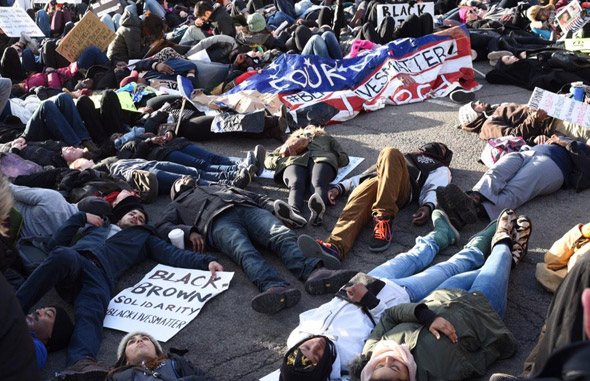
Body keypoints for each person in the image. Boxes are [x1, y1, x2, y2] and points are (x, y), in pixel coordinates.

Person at [280, 209, 521, 380]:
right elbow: (384, 329)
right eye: (316, 357)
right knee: (448, 269)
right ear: (323, 369)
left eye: (305, 350)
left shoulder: (296, 337)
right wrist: (368, 301)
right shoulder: (348, 362)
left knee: (412, 255)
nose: (314, 347)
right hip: (397, 296)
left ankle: (442, 234)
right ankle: (486, 247)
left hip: (363, 282)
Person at [15, 196, 223, 377]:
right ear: (120, 217)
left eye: (141, 219)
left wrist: (205, 262)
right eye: (132, 214)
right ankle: (14, 309)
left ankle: (80, 364)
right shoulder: (98, 224)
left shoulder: (144, 237)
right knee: (63, 254)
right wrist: (80, 218)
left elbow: (173, 254)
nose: (136, 218)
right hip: (76, 261)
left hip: (100, 276)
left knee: (93, 309)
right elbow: (54, 245)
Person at [352, 209, 528, 381]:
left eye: (380, 366)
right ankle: (504, 240)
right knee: (500, 255)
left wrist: (425, 315)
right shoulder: (435, 375)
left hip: (443, 294)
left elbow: (389, 316)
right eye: (394, 367)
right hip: (481, 309)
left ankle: (509, 259)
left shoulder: (371, 351)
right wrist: (495, 338)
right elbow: (473, 366)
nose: (388, 359)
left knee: (489, 268)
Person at [155, 177, 334, 314]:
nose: (185, 178)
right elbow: (163, 227)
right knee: (243, 250)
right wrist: (189, 231)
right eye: (180, 180)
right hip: (216, 221)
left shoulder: (216, 185)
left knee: (282, 234)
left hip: (248, 208)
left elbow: (255, 197)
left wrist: (273, 209)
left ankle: (314, 273)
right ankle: (274, 287)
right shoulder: (176, 203)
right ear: (176, 190)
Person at [296, 143, 452, 258]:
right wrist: (340, 187)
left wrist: (428, 206)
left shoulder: (439, 167)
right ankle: (335, 247)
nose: (437, 145)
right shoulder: (404, 155)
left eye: (442, 148)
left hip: (400, 191)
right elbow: (366, 174)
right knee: (369, 188)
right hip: (374, 183)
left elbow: (435, 187)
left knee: (389, 151)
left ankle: (384, 219)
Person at [437, 135, 589, 239]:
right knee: (496, 172)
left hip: (552, 166)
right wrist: (537, 139)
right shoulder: (571, 138)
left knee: (514, 190)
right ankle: (472, 199)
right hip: (528, 152)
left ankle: (474, 211)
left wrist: (566, 144)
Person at [265, 126, 349, 226]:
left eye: (312, 125)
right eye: (306, 126)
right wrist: (281, 159)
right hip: (294, 160)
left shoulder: (325, 137)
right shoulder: (292, 139)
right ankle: (293, 213)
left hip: (321, 159)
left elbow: (344, 157)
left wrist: (331, 156)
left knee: (318, 182)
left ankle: (318, 213)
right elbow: (269, 159)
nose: (309, 126)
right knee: (296, 183)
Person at [106, 331, 210, 380]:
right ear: (126, 360)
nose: (139, 340)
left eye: (145, 338)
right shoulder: (116, 378)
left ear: (156, 351)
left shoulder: (177, 362)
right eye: (131, 342)